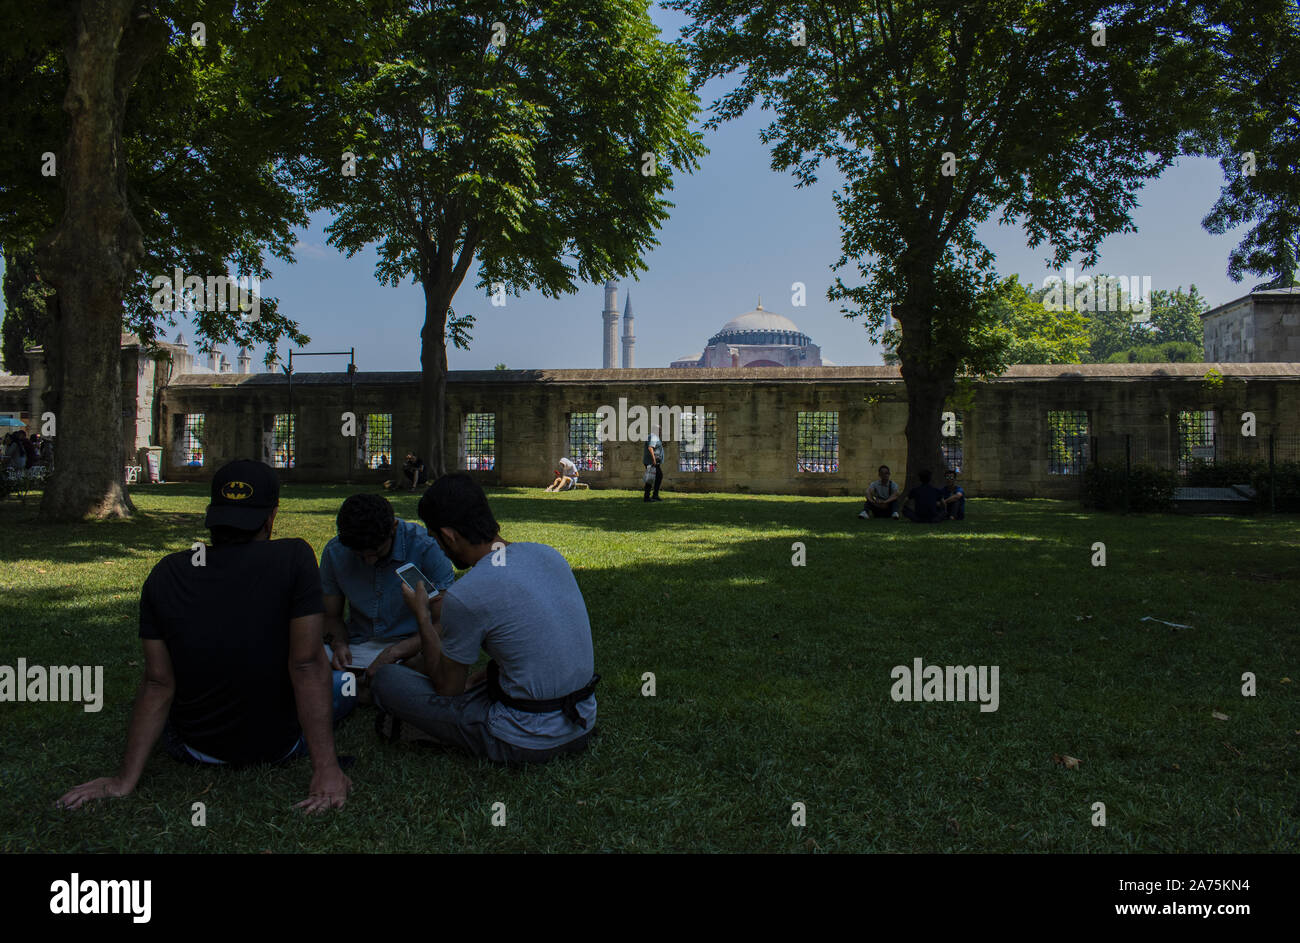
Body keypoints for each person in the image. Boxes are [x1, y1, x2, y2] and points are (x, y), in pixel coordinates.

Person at [57, 460, 352, 813]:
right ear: (270, 517)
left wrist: (123, 780)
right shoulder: (293, 557)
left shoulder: (167, 573)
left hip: (194, 748)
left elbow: (157, 683)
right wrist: (327, 769)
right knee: (343, 683)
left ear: (213, 514)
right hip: (278, 747)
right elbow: (305, 664)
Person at [371, 473, 598, 765]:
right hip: (581, 719)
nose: (439, 547)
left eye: (436, 538)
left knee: (388, 680)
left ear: (449, 535)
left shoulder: (467, 594)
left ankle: (430, 729)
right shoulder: (548, 554)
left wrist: (422, 616)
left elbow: (447, 690)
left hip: (525, 739)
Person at [320, 493, 455, 675]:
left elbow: (445, 623)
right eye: (360, 555)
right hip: (360, 643)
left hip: (414, 644)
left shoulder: (425, 547)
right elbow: (331, 617)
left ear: (393, 528)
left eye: (377, 552)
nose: (369, 561)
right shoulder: (335, 552)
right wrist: (339, 644)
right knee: (309, 653)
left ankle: (371, 683)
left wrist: (397, 651)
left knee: (436, 657)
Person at [643, 425, 664, 502]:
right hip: (652, 462)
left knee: (655, 477)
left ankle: (653, 495)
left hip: (652, 462)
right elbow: (650, 447)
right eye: (660, 430)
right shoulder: (654, 437)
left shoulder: (653, 436)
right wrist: (654, 460)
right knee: (651, 478)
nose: (661, 432)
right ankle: (648, 497)